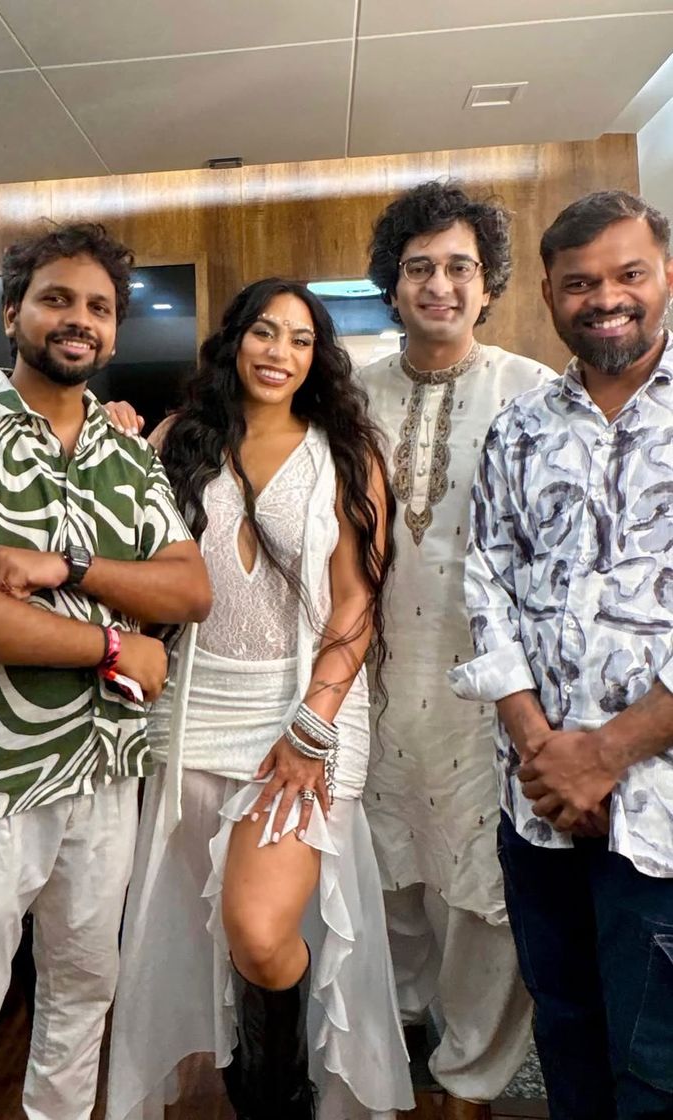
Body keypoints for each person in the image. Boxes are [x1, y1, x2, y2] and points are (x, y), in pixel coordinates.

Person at [0, 222, 211, 1120]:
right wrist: (113, 645)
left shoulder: (127, 454)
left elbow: (190, 588)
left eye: (99, 308)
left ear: (113, 331)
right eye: (57, 299)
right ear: (11, 314)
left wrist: (65, 569)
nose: (80, 320)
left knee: (79, 1003)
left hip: (104, 773)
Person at [104, 278, 413, 1119]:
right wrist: (113, 434)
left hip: (305, 710)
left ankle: (288, 1094)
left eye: (301, 340)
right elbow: (128, 554)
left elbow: (355, 601)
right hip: (193, 709)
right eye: (265, 332)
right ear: (235, 339)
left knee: (259, 930)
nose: (280, 353)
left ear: (318, 358)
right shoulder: (177, 440)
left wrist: (312, 727)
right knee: (199, 931)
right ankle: (255, 1093)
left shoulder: (346, 452)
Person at [451, 189, 673, 1120]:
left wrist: (609, 752)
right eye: (580, 283)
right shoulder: (521, 426)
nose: (606, 298)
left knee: (656, 1065)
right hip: (537, 804)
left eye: (629, 274)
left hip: (660, 816)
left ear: (667, 276)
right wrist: (543, 750)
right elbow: (484, 581)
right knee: (570, 1036)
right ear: (547, 294)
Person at [360, 181, 555, 1119]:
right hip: (372, 679)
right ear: (392, 284)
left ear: (489, 284)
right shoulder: (350, 392)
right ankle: (394, 1041)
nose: (439, 285)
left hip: (491, 690)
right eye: (418, 268)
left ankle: (473, 1075)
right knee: (385, 870)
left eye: (459, 267)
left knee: (482, 891)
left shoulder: (533, 390)